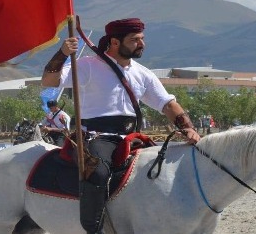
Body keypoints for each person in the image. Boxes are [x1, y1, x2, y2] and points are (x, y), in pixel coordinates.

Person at [42, 18, 199, 234]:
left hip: (132, 136)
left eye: (142, 39)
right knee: (97, 172)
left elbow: (168, 104)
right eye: (135, 40)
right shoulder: (87, 66)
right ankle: (94, 227)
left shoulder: (143, 73)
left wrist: (187, 127)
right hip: (97, 136)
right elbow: (49, 82)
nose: (141, 44)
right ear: (115, 42)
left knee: (162, 169)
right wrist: (62, 53)